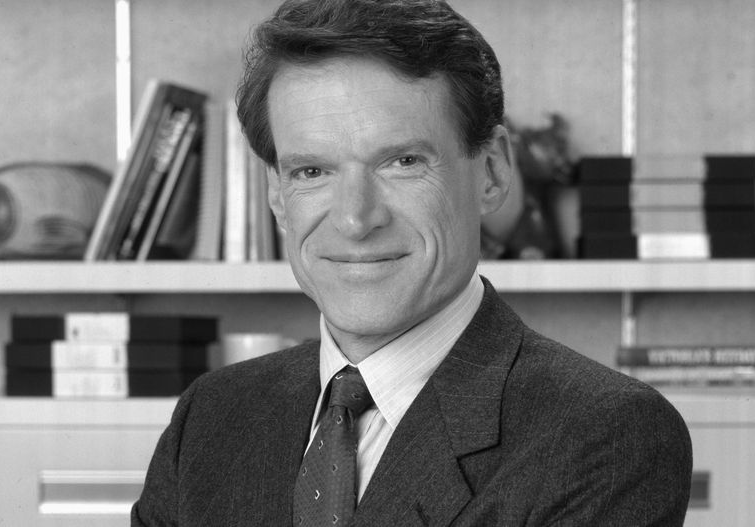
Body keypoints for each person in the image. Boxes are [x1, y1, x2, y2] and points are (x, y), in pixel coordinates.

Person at [131, 0, 693, 525]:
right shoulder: (211, 416)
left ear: (492, 172)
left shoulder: (604, 432)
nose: (355, 219)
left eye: (402, 162)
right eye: (312, 171)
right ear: (278, 194)